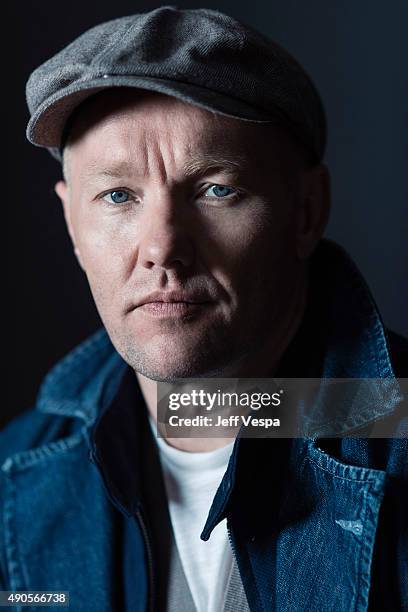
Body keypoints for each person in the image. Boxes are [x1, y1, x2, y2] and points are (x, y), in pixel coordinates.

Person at [1, 7, 406, 612]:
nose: (162, 247)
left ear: (305, 212)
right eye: (118, 195)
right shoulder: (17, 474)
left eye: (216, 189)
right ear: (71, 224)